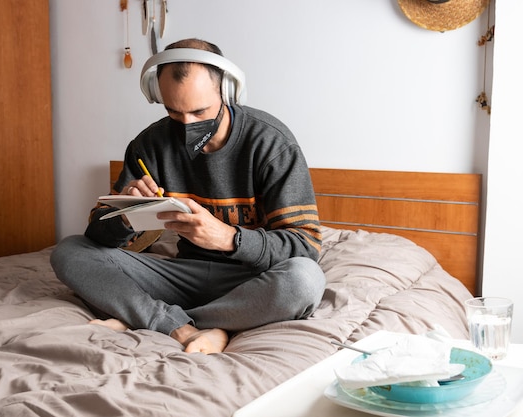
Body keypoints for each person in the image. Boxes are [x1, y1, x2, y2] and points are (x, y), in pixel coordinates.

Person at [50, 38, 325, 354]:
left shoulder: (271, 144)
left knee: (304, 280)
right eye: (174, 112)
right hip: (180, 276)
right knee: (69, 251)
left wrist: (227, 238)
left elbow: (305, 246)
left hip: (252, 280)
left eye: (199, 111)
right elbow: (97, 236)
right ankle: (185, 325)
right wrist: (126, 215)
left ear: (227, 91)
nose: (187, 126)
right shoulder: (150, 144)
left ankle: (159, 320)